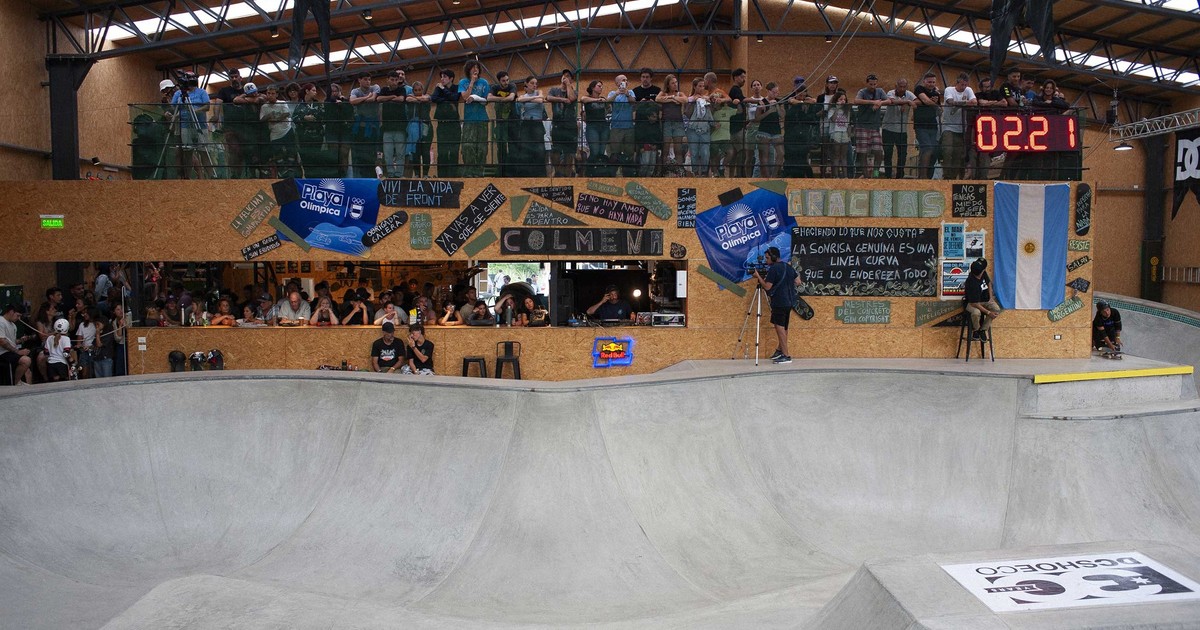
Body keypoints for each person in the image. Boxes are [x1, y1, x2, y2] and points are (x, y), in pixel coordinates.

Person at [752, 247, 802, 364]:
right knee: (783, 327)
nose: (766, 260)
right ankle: (780, 350)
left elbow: (767, 287)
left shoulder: (774, 269)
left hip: (779, 301)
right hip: (789, 301)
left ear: (774, 257)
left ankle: (786, 355)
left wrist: (758, 276)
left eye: (767, 258)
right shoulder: (788, 267)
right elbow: (798, 282)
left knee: (779, 327)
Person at [852, 73, 888, 178]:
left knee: (878, 151)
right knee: (862, 152)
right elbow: (856, 100)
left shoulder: (880, 91)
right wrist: (873, 102)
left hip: (875, 126)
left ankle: (875, 174)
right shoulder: (862, 92)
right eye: (871, 84)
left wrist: (880, 103)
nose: (873, 86)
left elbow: (889, 100)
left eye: (875, 84)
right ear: (867, 83)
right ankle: (866, 175)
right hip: (862, 125)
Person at [458, 61, 490, 177]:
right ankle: (469, 172)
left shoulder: (484, 82)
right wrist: (471, 82)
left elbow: (486, 100)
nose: (475, 69)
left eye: (477, 67)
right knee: (468, 146)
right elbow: (465, 97)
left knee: (481, 147)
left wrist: (476, 98)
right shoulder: (463, 82)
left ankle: (479, 172)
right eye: (472, 68)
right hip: (469, 119)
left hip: (482, 119)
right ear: (468, 69)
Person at [431, 68, 461, 177]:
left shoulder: (456, 87)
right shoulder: (438, 88)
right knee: (442, 151)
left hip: (454, 124)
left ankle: (454, 176)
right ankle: (442, 176)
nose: (442, 79)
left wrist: (443, 89)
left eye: (444, 77)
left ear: (451, 78)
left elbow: (455, 97)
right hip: (442, 124)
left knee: (454, 151)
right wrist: (448, 101)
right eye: (441, 77)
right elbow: (434, 98)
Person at [964, 258, 1000, 341]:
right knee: (976, 313)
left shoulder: (982, 272)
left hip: (984, 300)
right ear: (981, 272)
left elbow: (989, 283)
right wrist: (988, 312)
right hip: (972, 303)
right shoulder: (971, 283)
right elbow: (974, 303)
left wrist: (991, 297)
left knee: (996, 308)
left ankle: (983, 330)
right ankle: (976, 330)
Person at [1, 304, 33, 385]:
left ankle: (20, 382)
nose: (19, 318)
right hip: (3, 353)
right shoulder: (1, 322)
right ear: (11, 312)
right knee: (26, 360)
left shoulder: (13, 326)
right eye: (18, 315)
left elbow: (12, 341)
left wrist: (20, 340)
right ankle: (16, 383)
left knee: (28, 369)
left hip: (10, 352)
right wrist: (17, 352)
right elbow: (2, 341)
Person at [44, 318, 73, 382]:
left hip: (51, 364)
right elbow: (66, 353)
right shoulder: (66, 339)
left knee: (54, 383)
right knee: (63, 383)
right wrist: (72, 362)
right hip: (61, 364)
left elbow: (46, 352)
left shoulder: (49, 338)